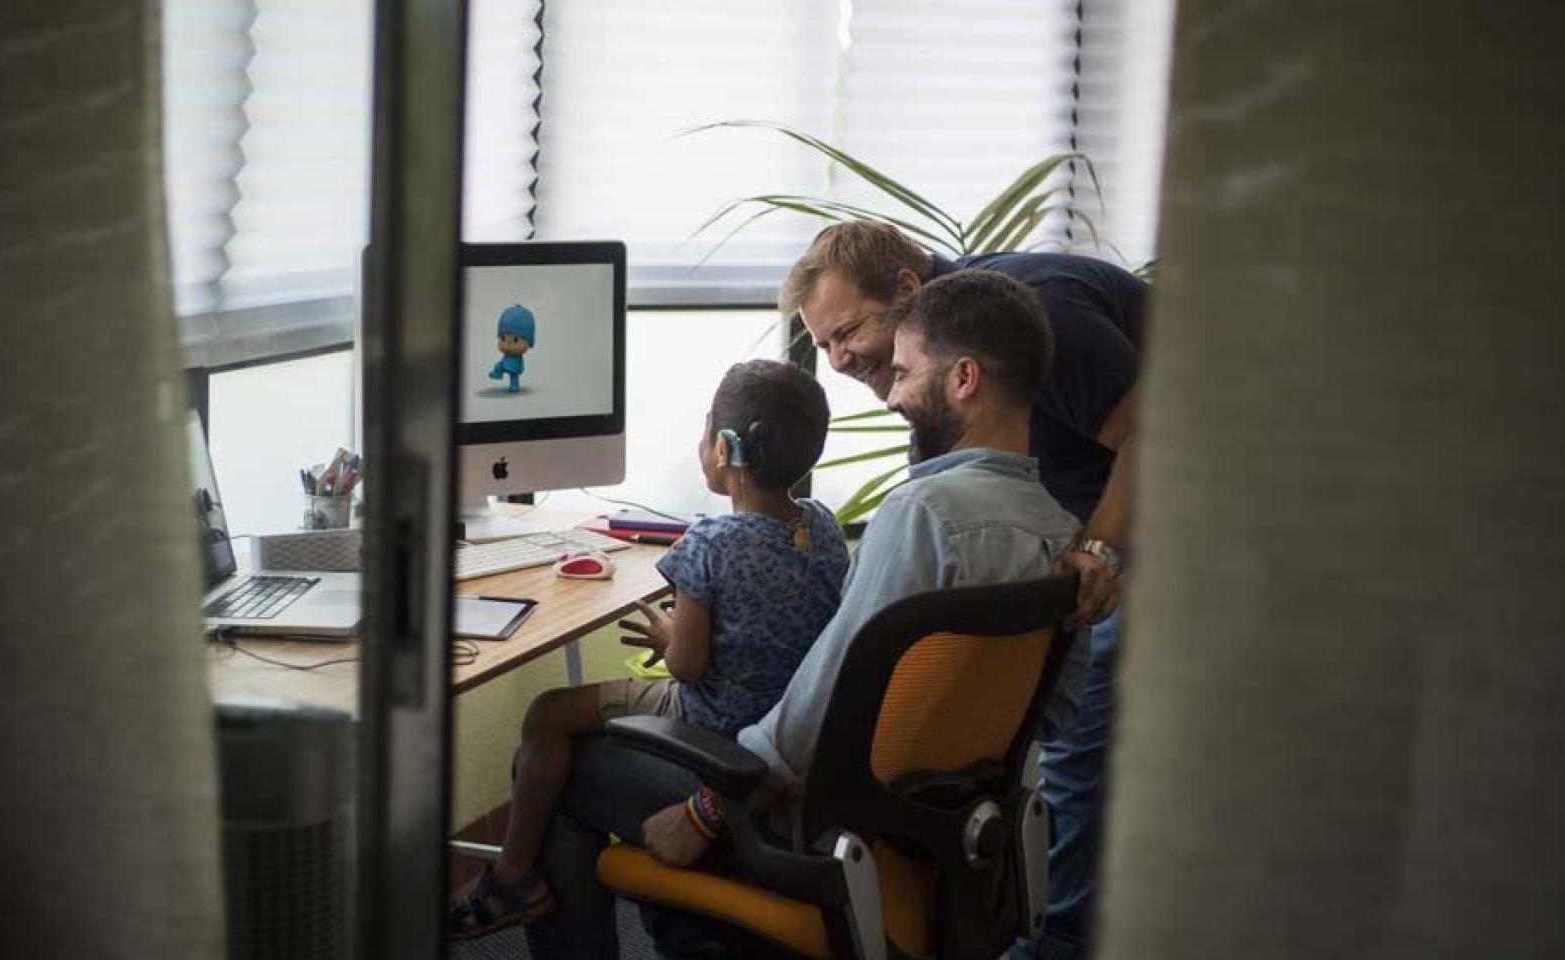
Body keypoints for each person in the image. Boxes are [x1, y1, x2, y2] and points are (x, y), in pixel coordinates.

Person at [525, 269, 1090, 958]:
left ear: (964, 378)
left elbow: (825, 702)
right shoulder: (1067, 540)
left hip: (805, 821)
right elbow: (1053, 716)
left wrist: (706, 814)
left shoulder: (921, 516)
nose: (895, 397)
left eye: (907, 373)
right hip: (939, 836)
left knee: (558, 760)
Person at [782, 220, 1145, 960]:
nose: (840, 358)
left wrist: (1098, 549)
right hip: (1092, 502)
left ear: (908, 292)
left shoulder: (1039, 315)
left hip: (1198, 485)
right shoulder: (943, 356)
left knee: (1078, 744)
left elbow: (1157, 432)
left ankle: (1057, 942)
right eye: (822, 345)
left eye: (846, 331)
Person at [450, 358, 850, 941]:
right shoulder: (824, 527)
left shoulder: (708, 543)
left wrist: (668, 636)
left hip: (711, 726)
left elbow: (687, 667)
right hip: (784, 724)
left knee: (548, 714)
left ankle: (512, 877)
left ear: (724, 449)